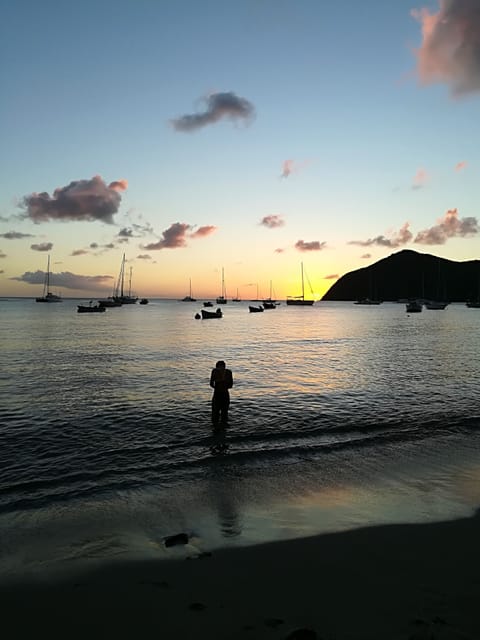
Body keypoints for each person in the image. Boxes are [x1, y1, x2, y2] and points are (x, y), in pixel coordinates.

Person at [209, 360, 233, 426]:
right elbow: (230, 385)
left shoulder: (214, 371)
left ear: (217, 366)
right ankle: (224, 429)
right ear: (225, 366)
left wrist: (217, 385)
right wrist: (224, 384)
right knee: (224, 413)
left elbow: (211, 384)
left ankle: (215, 429)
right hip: (225, 393)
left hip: (217, 394)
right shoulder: (229, 372)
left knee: (215, 413)